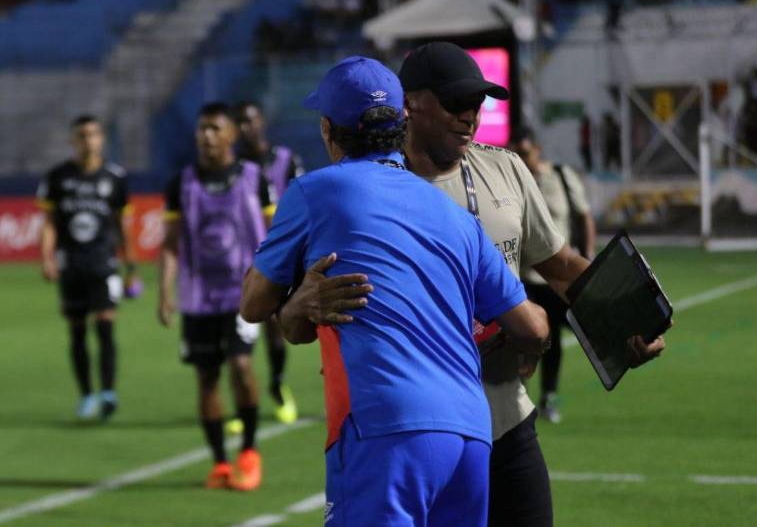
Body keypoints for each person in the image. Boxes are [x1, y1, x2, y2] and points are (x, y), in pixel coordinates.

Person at [280, 42, 666, 527]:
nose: (471, 116)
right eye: (456, 103)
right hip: (405, 429)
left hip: (506, 420)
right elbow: (293, 310)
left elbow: (562, 265)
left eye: (478, 103)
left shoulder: (505, 169)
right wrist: (299, 306)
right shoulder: (355, 191)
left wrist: (623, 316)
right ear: (408, 105)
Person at [240, 56, 550, 527]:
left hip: (384, 427)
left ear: (328, 130)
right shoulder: (455, 217)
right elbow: (532, 328)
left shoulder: (314, 192)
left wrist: (297, 302)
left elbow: (252, 303)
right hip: (471, 434)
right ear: (402, 122)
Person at [157, 102, 267, 491]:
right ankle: (220, 462)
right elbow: (170, 244)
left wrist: (279, 285)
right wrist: (164, 292)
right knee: (206, 378)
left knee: (241, 365)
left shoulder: (253, 178)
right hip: (198, 297)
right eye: (202, 128)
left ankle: (249, 451)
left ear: (232, 134)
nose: (206, 135)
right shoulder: (181, 183)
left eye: (215, 128)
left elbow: (273, 232)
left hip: (243, 293)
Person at [37, 114, 137, 420]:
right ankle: (86, 395)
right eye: (81, 135)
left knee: (105, 327)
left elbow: (122, 225)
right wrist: (47, 257)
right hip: (71, 265)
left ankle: (108, 392)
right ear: (72, 140)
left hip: (103, 264)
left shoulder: (115, 177)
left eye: (93, 134)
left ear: (101, 139)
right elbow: (49, 223)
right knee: (77, 331)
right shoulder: (57, 177)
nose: (88, 141)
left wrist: (131, 266)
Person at [509, 127, 597, 423]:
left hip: (558, 274)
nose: (521, 159)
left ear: (537, 149)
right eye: (516, 153)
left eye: (525, 153)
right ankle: (519, 401)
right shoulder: (510, 179)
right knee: (530, 340)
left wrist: (588, 254)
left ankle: (548, 397)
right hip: (524, 277)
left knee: (570, 334)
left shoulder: (561, 176)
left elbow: (583, 214)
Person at [235, 101, 304, 424]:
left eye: (250, 120)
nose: (246, 127)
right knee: (239, 336)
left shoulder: (286, 160)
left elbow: (302, 203)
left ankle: (277, 385)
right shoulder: (233, 167)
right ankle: (244, 406)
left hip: (280, 257)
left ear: (261, 121)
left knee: (275, 329)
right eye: (240, 122)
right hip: (242, 259)